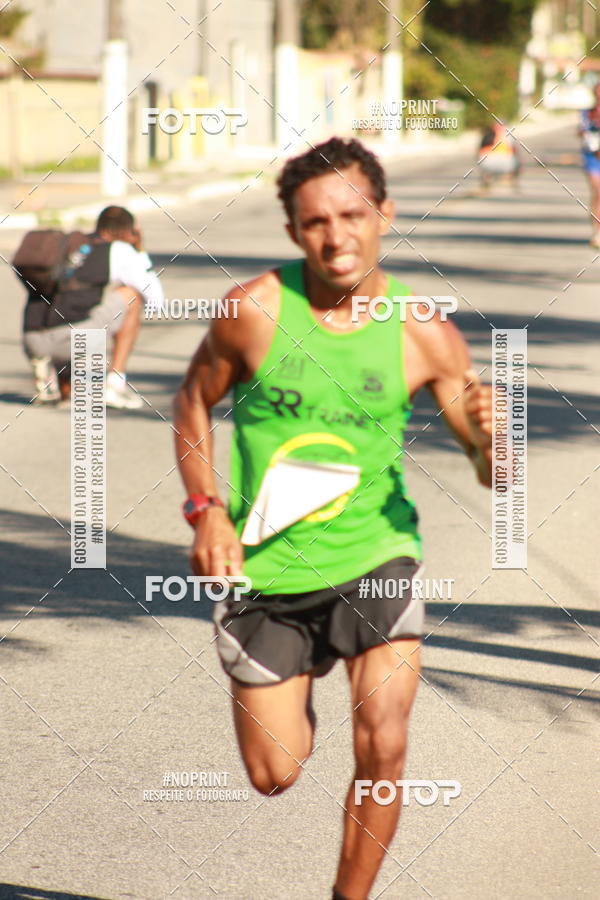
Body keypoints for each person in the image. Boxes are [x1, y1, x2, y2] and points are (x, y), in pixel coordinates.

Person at [173, 137, 493, 900]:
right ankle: (299, 666)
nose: (337, 235)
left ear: (384, 214)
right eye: (316, 221)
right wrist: (206, 511)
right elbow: (191, 404)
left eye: (353, 215)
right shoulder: (252, 312)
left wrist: (495, 436)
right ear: (292, 230)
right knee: (273, 772)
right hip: (268, 569)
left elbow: (492, 471)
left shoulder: (423, 332)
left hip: (376, 555)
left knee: (385, 741)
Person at [22, 205, 164, 408]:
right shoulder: (119, 249)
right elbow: (156, 300)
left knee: (71, 302)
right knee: (131, 296)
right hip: (70, 339)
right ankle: (114, 384)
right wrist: (140, 251)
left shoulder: (65, 245)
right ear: (128, 233)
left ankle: (54, 377)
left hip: (32, 339)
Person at [579, 82, 600, 247]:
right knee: (597, 192)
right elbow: (582, 131)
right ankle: (596, 231)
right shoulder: (587, 113)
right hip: (592, 156)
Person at [478, 120, 520, 192]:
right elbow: (515, 151)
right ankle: (512, 180)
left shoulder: (487, 135)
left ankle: (487, 179)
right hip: (506, 162)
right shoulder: (508, 136)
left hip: (487, 163)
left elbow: (479, 151)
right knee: (516, 161)